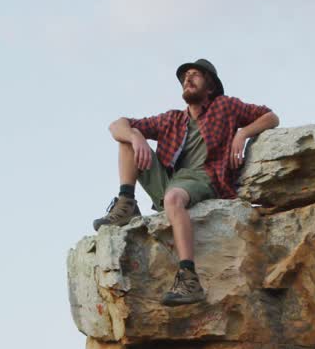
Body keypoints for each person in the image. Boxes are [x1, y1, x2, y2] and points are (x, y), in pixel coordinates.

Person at [96, 59, 279, 306]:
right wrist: (134, 135)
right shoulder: (173, 119)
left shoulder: (224, 107)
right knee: (128, 137)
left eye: (195, 75)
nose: (187, 79)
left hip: (205, 178)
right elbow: (115, 125)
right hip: (172, 180)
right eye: (185, 77)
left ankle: (188, 278)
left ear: (211, 86)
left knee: (173, 197)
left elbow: (271, 117)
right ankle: (126, 201)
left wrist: (242, 132)